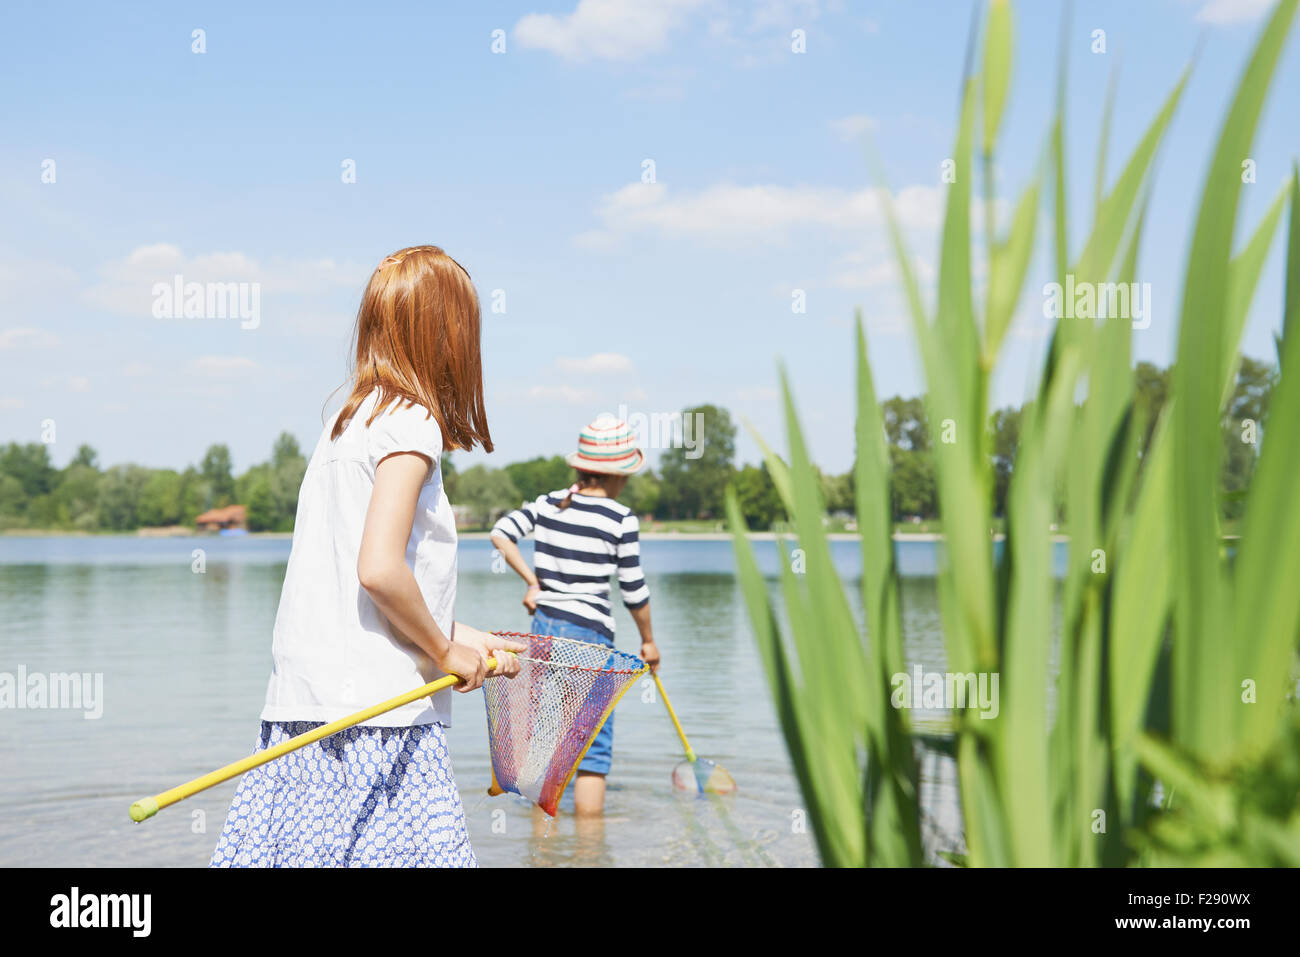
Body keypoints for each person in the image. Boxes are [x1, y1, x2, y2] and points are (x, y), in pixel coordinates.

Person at [210, 245, 525, 867]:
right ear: (447, 335)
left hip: (303, 716)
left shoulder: (345, 425)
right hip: (379, 727)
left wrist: (466, 636)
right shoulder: (413, 424)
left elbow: (356, 601)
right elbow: (379, 571)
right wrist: (442, 653)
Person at [490, 414, 660, 816]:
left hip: (545, 632)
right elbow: (633, 589)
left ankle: (541, 851)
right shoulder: (621, 518)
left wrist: (533, 581)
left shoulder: (549, 503)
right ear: (620, 475)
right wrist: (648, 641)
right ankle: (588, 851)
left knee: (546, 739)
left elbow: (500, 532)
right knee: (592, 741)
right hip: (589, 636)